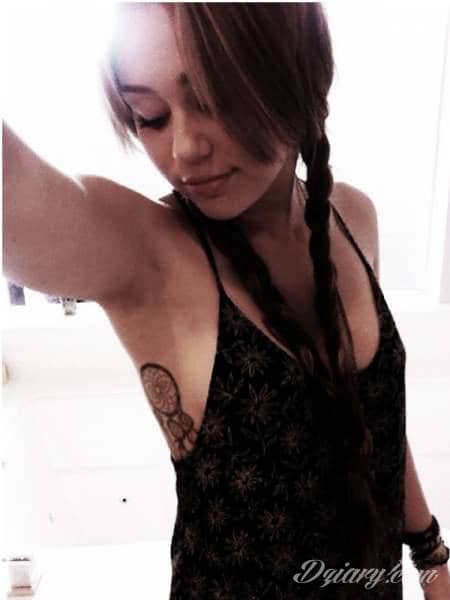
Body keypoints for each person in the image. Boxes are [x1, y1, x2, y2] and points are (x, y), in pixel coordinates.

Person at [3, 3, 449, 599]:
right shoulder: (154, 256)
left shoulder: (352, 217)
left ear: (301, 75)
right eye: (149, 116)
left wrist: (429, 552)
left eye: (215, 98)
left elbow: (373, 419)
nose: (184, 148)